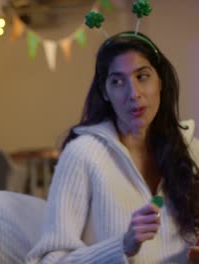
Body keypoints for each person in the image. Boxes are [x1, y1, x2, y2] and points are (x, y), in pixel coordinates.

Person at [27, 32, 199, 263]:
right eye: (117, 82)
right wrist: (123, 245)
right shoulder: (82, 154)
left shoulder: (191, 151)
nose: (133, 94)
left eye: (143, 76)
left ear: (161, 81)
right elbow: (51, 260)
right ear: (105, 93)